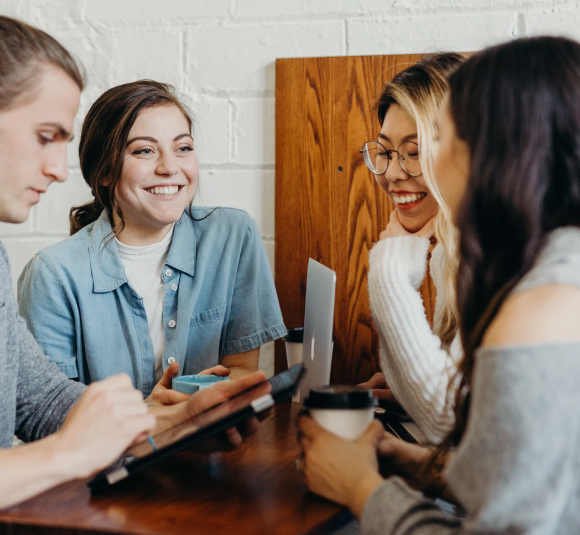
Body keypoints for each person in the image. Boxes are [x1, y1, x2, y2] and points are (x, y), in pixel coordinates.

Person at [299, 36, 580, 533]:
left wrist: (361, 489)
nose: (401, 171)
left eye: (440, 138)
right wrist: (417, 465)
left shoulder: (542, 306)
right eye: (386, 152)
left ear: (497, 152)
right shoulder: (548, 267)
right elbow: (521, 482)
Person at [0, 15, 268, 510]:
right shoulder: (54, 271)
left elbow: (38, 401)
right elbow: (51, 438)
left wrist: (167, 425)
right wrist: (69, 453)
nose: (60, 170)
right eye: (44, 136)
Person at [17, 80, 286, 398]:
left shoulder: (233, 236)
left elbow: (242, 368)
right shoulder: (51, 274)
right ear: (103, 172)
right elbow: (49, 412)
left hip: (211, 444)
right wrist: (156, 419)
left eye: (183, 148)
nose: (170, 167)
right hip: (110, 449)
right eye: (144, 150)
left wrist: (203, 401)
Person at [359, 54, 465, 443]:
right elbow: (459, 407)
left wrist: (389, 271)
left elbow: (448, 422)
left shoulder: (499, 256)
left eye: (415, 151)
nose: (391, 173)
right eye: (385, 151)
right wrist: (407, 390)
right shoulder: (450, 252)